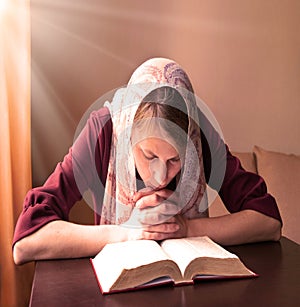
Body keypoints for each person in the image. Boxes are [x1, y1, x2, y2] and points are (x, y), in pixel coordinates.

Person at [13, 58, 282, 265]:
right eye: (149, 156)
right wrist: (130, 232)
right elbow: (26, 243)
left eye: (175, 159)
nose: (160, 176)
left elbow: (268, 222)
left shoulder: (197, 132)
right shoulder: (105, 129)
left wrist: (187, 228)